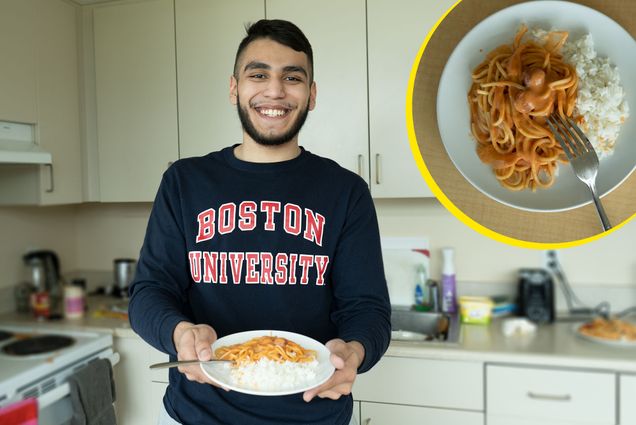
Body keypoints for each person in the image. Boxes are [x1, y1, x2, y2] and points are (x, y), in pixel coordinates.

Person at [128, 19, 391, 425]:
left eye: (292, 77)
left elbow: (367, 308)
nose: (274, 90)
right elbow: (149, 292)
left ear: (311, 94)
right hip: (199, 413)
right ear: (234, 88)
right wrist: (180, 334)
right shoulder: (184, 182)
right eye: (258, 75)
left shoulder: (346, 191)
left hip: (311, 412)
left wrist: (355, 350)